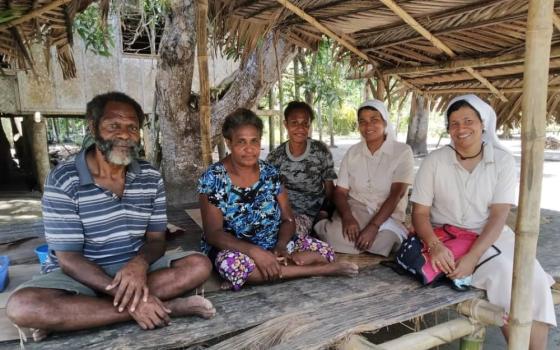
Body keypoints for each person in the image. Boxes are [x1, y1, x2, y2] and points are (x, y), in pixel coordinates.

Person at [7, 92, 215, 340]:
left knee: (198, 265)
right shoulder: (64, 179)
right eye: (113, 125)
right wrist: (132, 302)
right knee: (22, 306)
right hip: (81, 274)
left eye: (132, 127)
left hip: (134, 270)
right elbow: (69, 259)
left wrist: (139, 264)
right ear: (93, 128)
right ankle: (166, 307)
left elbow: (157, 240)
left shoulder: (150, 176)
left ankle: (79, 316)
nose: (125, 135)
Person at [411, 94, 556, 350]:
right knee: (502, 272)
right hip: (450, 240)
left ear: (483, 124)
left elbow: (499, 215)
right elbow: (420, 214)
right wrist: (434, 245)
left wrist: (474, 256)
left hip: (494, 236)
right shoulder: (434, 162)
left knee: (534, 277)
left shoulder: (501, 161)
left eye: (468, 120)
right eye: (454, 123)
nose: (461, 128)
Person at [198, 108, 358, 291]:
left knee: (325, 251)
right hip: (236, 249)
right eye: (241, 142)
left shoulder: (269, 172)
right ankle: (317, 269)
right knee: (235, 266)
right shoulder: (213, 178)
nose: (249, 149)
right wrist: (255, 252)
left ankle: (273, 268)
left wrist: (281, 246)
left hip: (273, 243)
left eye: (254, 141)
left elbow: (288, 219)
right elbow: (213, 233)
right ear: (228, 142)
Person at [314, 99, 414, 257]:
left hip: (387, 213)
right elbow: (340, 192)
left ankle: (359, 238)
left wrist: (373, 226)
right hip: (356, 208)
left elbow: (397, 194)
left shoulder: (402, 152)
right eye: (363, 121)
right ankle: (322, 221)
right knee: (334, 237)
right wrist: (347, 217)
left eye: (374, 120)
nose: (368, 126)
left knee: (382, 244)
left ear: (385, 122)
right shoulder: (353, 153)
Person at [266, 101, 337, 236]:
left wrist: (326, 212)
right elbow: (270, 192)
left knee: (290, 234)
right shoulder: (275, 156)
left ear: (310, 125)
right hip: (283, 213)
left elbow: (329, 189)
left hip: (311, 214)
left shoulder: (320, 151)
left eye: (305, 123)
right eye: (294, 123)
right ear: (285, 124)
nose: (300, 128)